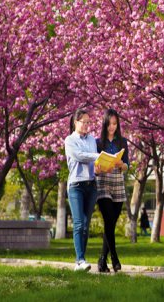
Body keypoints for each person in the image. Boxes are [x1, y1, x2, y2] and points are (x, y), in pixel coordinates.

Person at [64, 108, 100, 272]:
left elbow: (93, 160)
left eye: (88, 122)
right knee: (78, 223)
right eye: (83, 122)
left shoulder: (92, 139)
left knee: (85, 224)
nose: (86, 125)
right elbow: (79, 156)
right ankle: (80, 260)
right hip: (76, 186)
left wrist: (101, 163)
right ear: (75, 122)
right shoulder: (69, 140)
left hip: (91, 185)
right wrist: (97, 156)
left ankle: (81, 261)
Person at [95, 108, 129, 273]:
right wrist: (99, 167)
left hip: (118, 181)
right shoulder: (97, 143)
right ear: (104, 124)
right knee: (108, 220)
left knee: (111, 224)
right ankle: (114, 257)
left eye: (114, 124)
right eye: (109, 124)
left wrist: (121, 165)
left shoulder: (122, 142)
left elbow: (127, 165)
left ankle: (102, 260)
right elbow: (93, 166)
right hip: (102, 182)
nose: (112, 127)